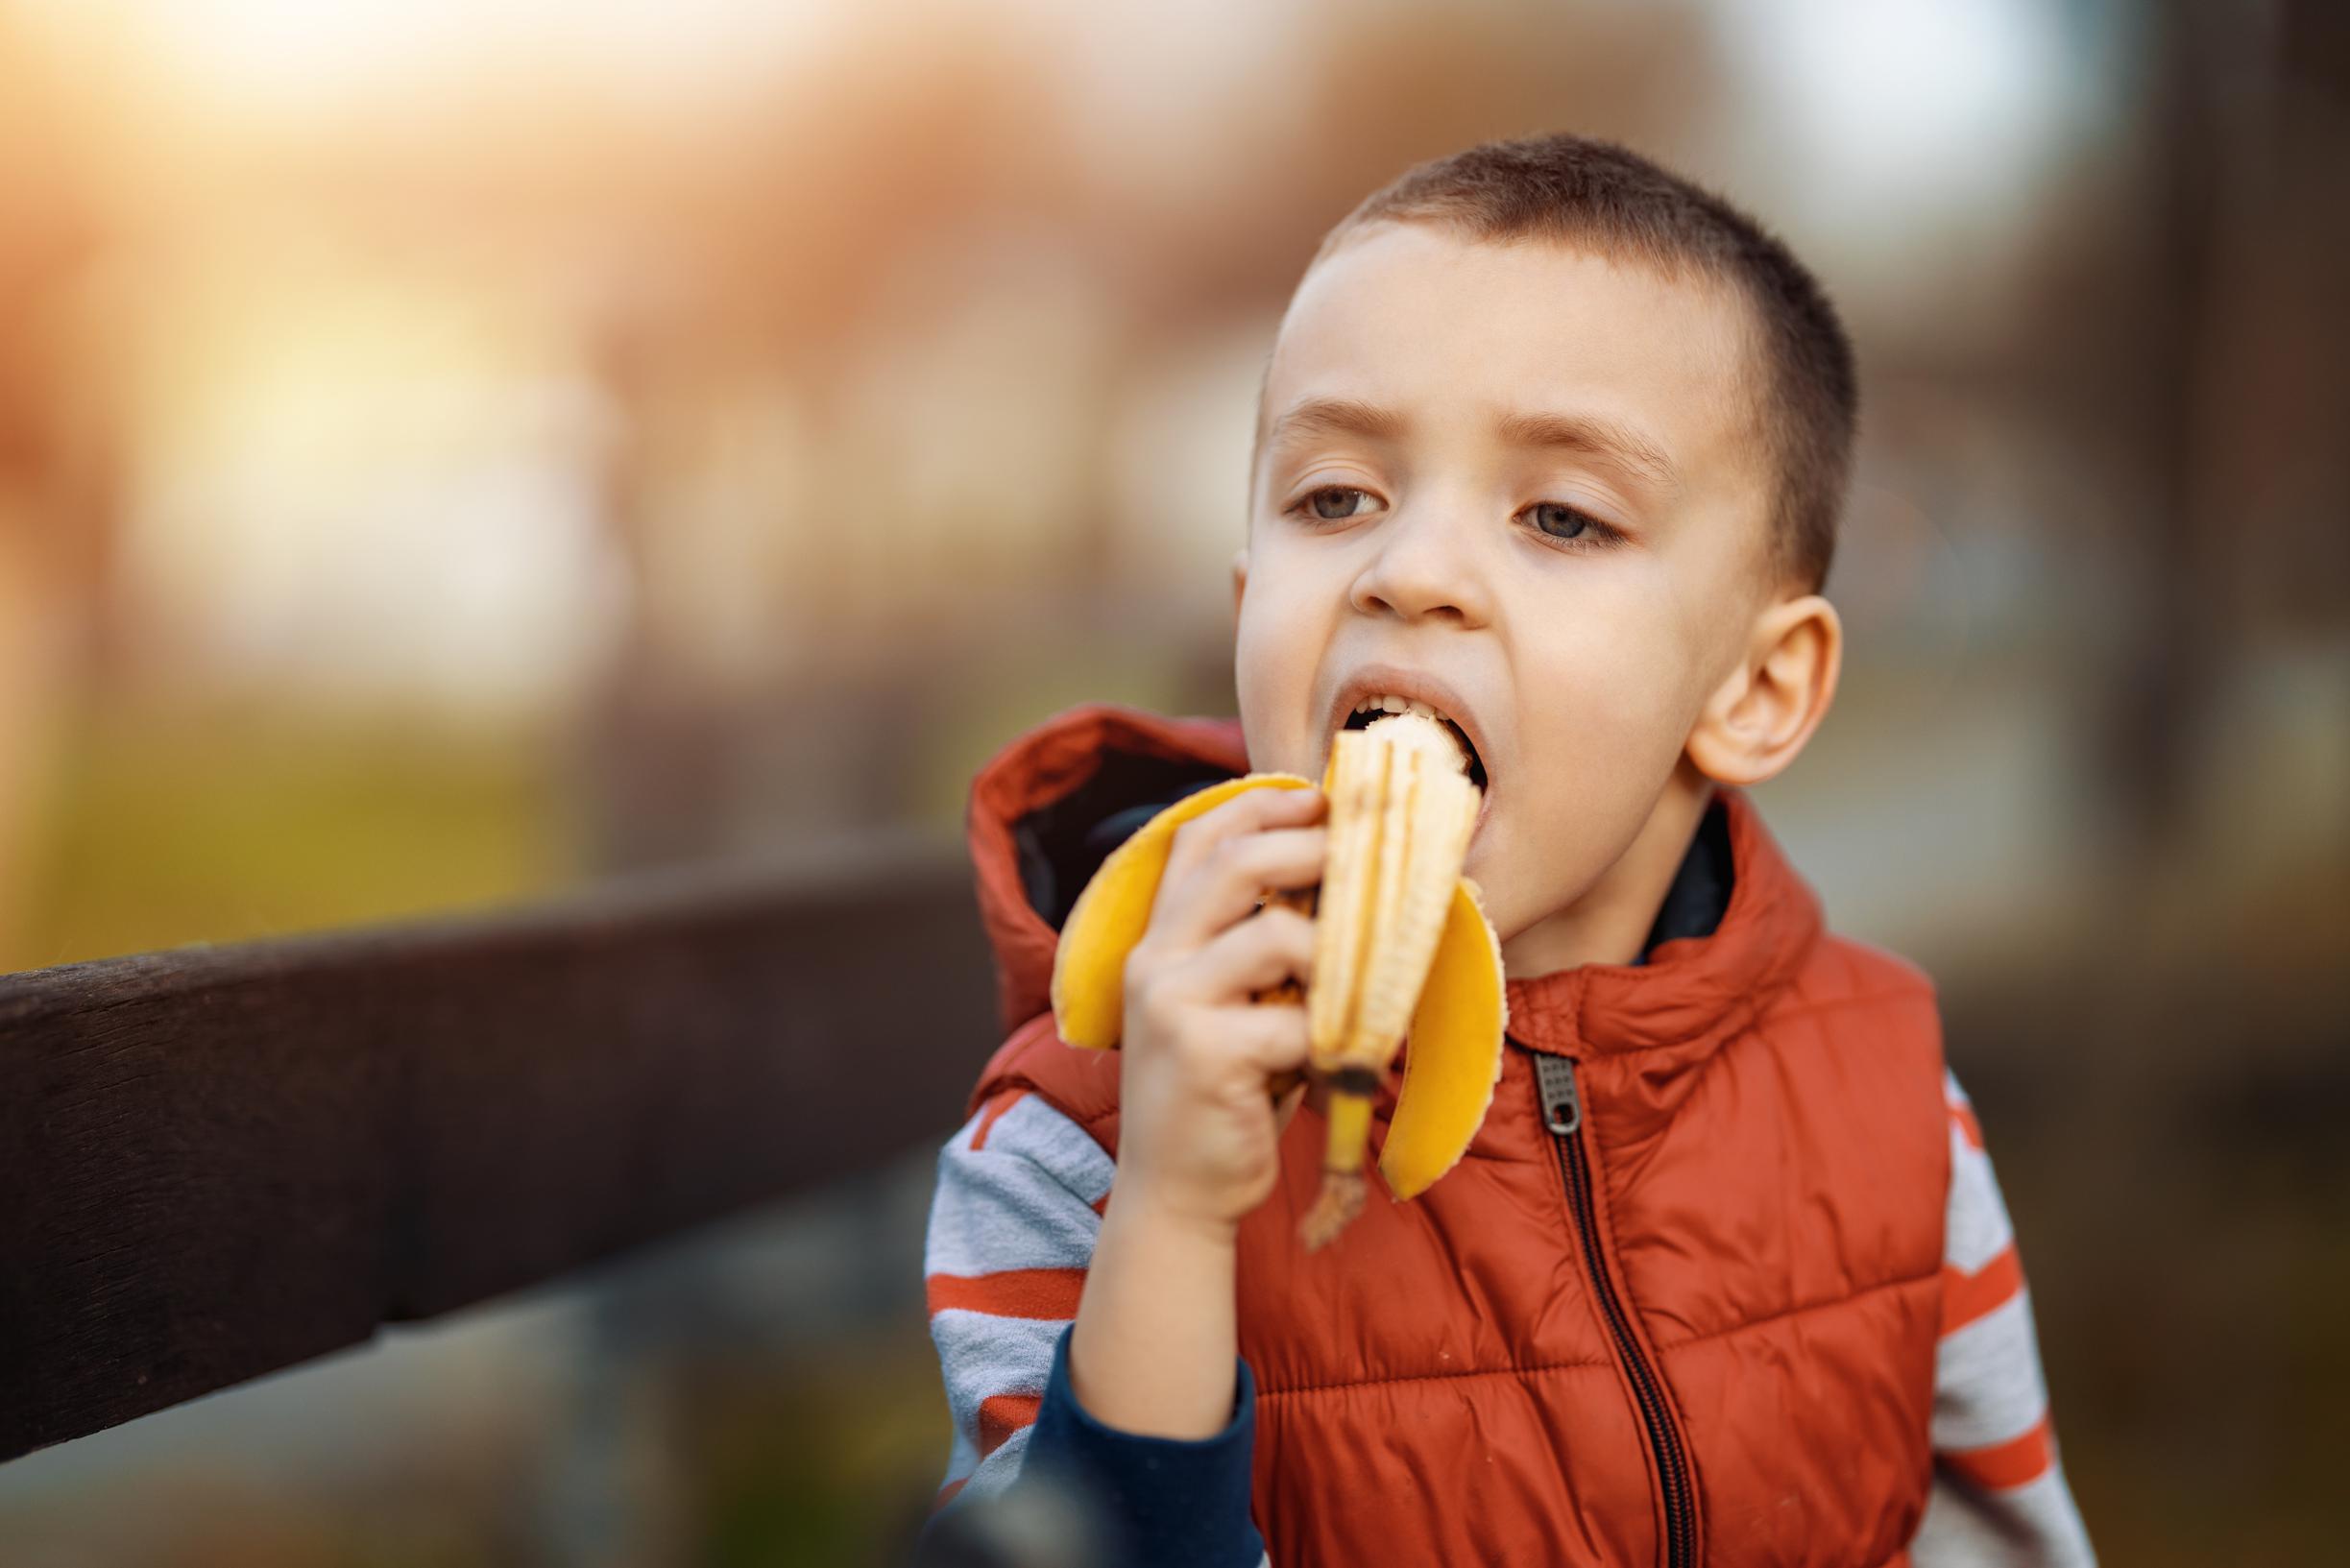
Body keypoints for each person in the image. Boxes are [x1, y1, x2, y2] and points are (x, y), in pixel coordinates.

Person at [915, 133, 2095, 1566]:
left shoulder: (1898, 1110)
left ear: (1753, 686)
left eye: (1560, 514)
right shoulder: (1074, 1139)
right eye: (1334, 496)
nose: (1408, 571)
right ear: (1245, 606)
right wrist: (1172, 1208)